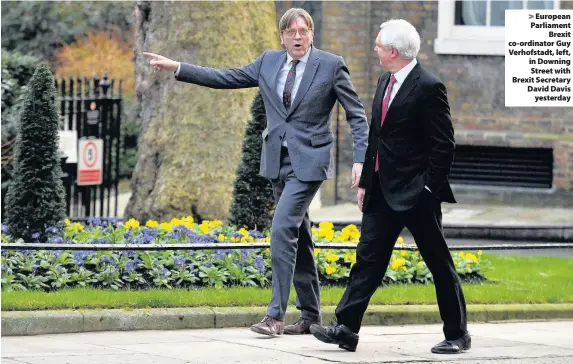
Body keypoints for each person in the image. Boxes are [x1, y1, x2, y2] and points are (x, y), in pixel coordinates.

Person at [143, 8, 368, 336]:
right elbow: (225, 78)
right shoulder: (268, 62)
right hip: (277, 160)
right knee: (298, 233)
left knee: (281, 228)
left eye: (303, 31)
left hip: (310, 163)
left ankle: (275, 316)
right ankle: (309, 315)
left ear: (312, 34)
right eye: (291, 32)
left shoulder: (331, 65)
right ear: (282, 37)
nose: (297, 37)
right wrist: (178, 67)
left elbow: (357, 115)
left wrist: (360, 158)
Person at [309, 19, 470, 354]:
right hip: (382, 191)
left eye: (379, 46)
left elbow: (444, 146)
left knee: (438, 263)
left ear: (394, 52)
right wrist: (367, 182)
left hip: (417, 194)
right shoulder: (385, 80)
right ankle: (346, 329)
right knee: (367, 259)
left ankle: (457, 334)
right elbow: (376, 138)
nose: (375, 50)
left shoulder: (429, 87)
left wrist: (428, 189)